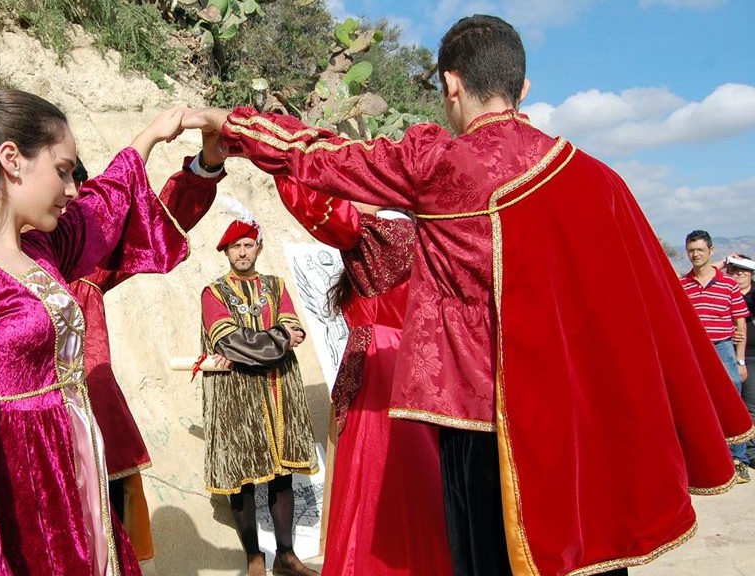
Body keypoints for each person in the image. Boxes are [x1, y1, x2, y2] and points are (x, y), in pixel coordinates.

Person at [182, 14, 755, 576]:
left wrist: (229, 123)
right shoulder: (601, 180)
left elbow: (323, 156)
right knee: (590, 556)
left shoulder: (444, 165)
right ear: (522, 88)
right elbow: (653, 310)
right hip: (586, 419)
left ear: (451, 84)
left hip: (484, 425)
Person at [0, 89, 189, 575]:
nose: (72, 189)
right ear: (12, 159)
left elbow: (104, 205)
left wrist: (150, 137)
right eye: (63, 170)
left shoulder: (40, 251)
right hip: (24, 497)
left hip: (74, 477)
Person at [275, 176, 453, 576]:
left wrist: (279, 159)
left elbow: (317, 206)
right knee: (409, 471)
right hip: (410, 361)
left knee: (375, 472)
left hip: (380, 365)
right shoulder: (420, 236)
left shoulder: (382, 233)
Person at [69, 135, 227, 563]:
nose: (69, 198)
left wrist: (205, 167)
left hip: (96, 426)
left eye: (76, 188)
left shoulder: (91, 260)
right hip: (26, 435)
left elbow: (157, 221)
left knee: (108, 550)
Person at [198, 211, 320, 576]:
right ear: (226, 251)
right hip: (237, 396)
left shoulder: (276, 286)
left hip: (280, 391)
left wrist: (277, 338)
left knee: (283, 475)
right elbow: (230, 342)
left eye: (248, 245)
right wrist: (279, 338)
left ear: (259, 248)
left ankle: (286, 555)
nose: (242, 252)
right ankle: (254, 557)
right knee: (244, 479)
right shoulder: (213, 293)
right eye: (235, 246)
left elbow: (295, 328)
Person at [680, 230, 750, 481]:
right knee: (696, 403)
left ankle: (738, 459)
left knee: (731, 399)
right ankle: (704, 460)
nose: (695, 254)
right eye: (691, 250)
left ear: (711, 251)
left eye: (699, 249)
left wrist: (740, 361)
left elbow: (740, 324)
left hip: (723, 348)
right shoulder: (682, 286)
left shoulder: (728, 284)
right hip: (694, 351)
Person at [725, 254, 755, 470]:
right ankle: (737, 454)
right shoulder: (726, 292)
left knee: (750, 407)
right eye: (733, 270)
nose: (738, 274)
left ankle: (749, 452)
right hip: (728, 354)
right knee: (732, 405)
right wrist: (724, 261)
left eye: (742, 270)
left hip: (752, 357)